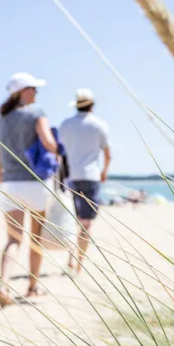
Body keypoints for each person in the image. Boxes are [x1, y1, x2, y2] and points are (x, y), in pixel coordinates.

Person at [0, 72, 59, 307]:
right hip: (35, 183)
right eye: (34, 88)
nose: (37, 93)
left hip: (9, 184)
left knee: (13, 239)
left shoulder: (1, 120)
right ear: (23, 91)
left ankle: (4, 285)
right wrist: (58, 155)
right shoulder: (36, 114)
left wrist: (2, 181)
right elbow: (49, 143)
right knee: (35, 238)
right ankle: (32, 286)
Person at [59, 88, 111, 274]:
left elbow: (60, 152)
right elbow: (107, 154)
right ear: (93, 105)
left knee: (73, 220)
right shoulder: (99, 125)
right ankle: (79, 265)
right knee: (86, 224)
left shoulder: (65, 125)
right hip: (91, 176)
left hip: (70, 177)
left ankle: (70, 258)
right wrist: (103, 172)